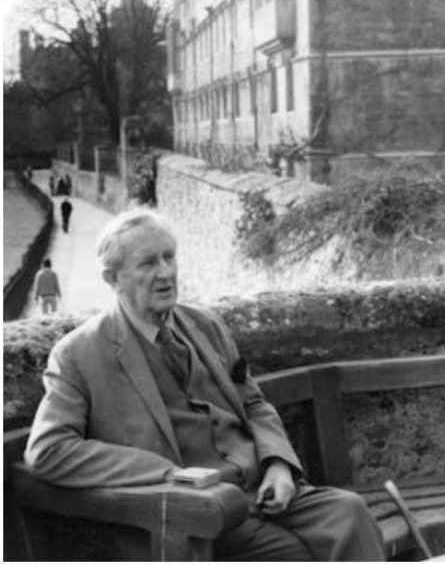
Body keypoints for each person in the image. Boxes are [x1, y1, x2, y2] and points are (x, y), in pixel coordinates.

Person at [25, 210, 385, 560]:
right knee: (295, 554)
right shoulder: (79, 354)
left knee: (350, 511)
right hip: (196, 511)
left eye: (170, 257)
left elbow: (254, 404)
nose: (166, 273)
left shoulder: (205, 325)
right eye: (148, 263)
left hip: (261, 489)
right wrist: (166, 473)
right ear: (113, 278)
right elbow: (48, 450)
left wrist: (278, 464)